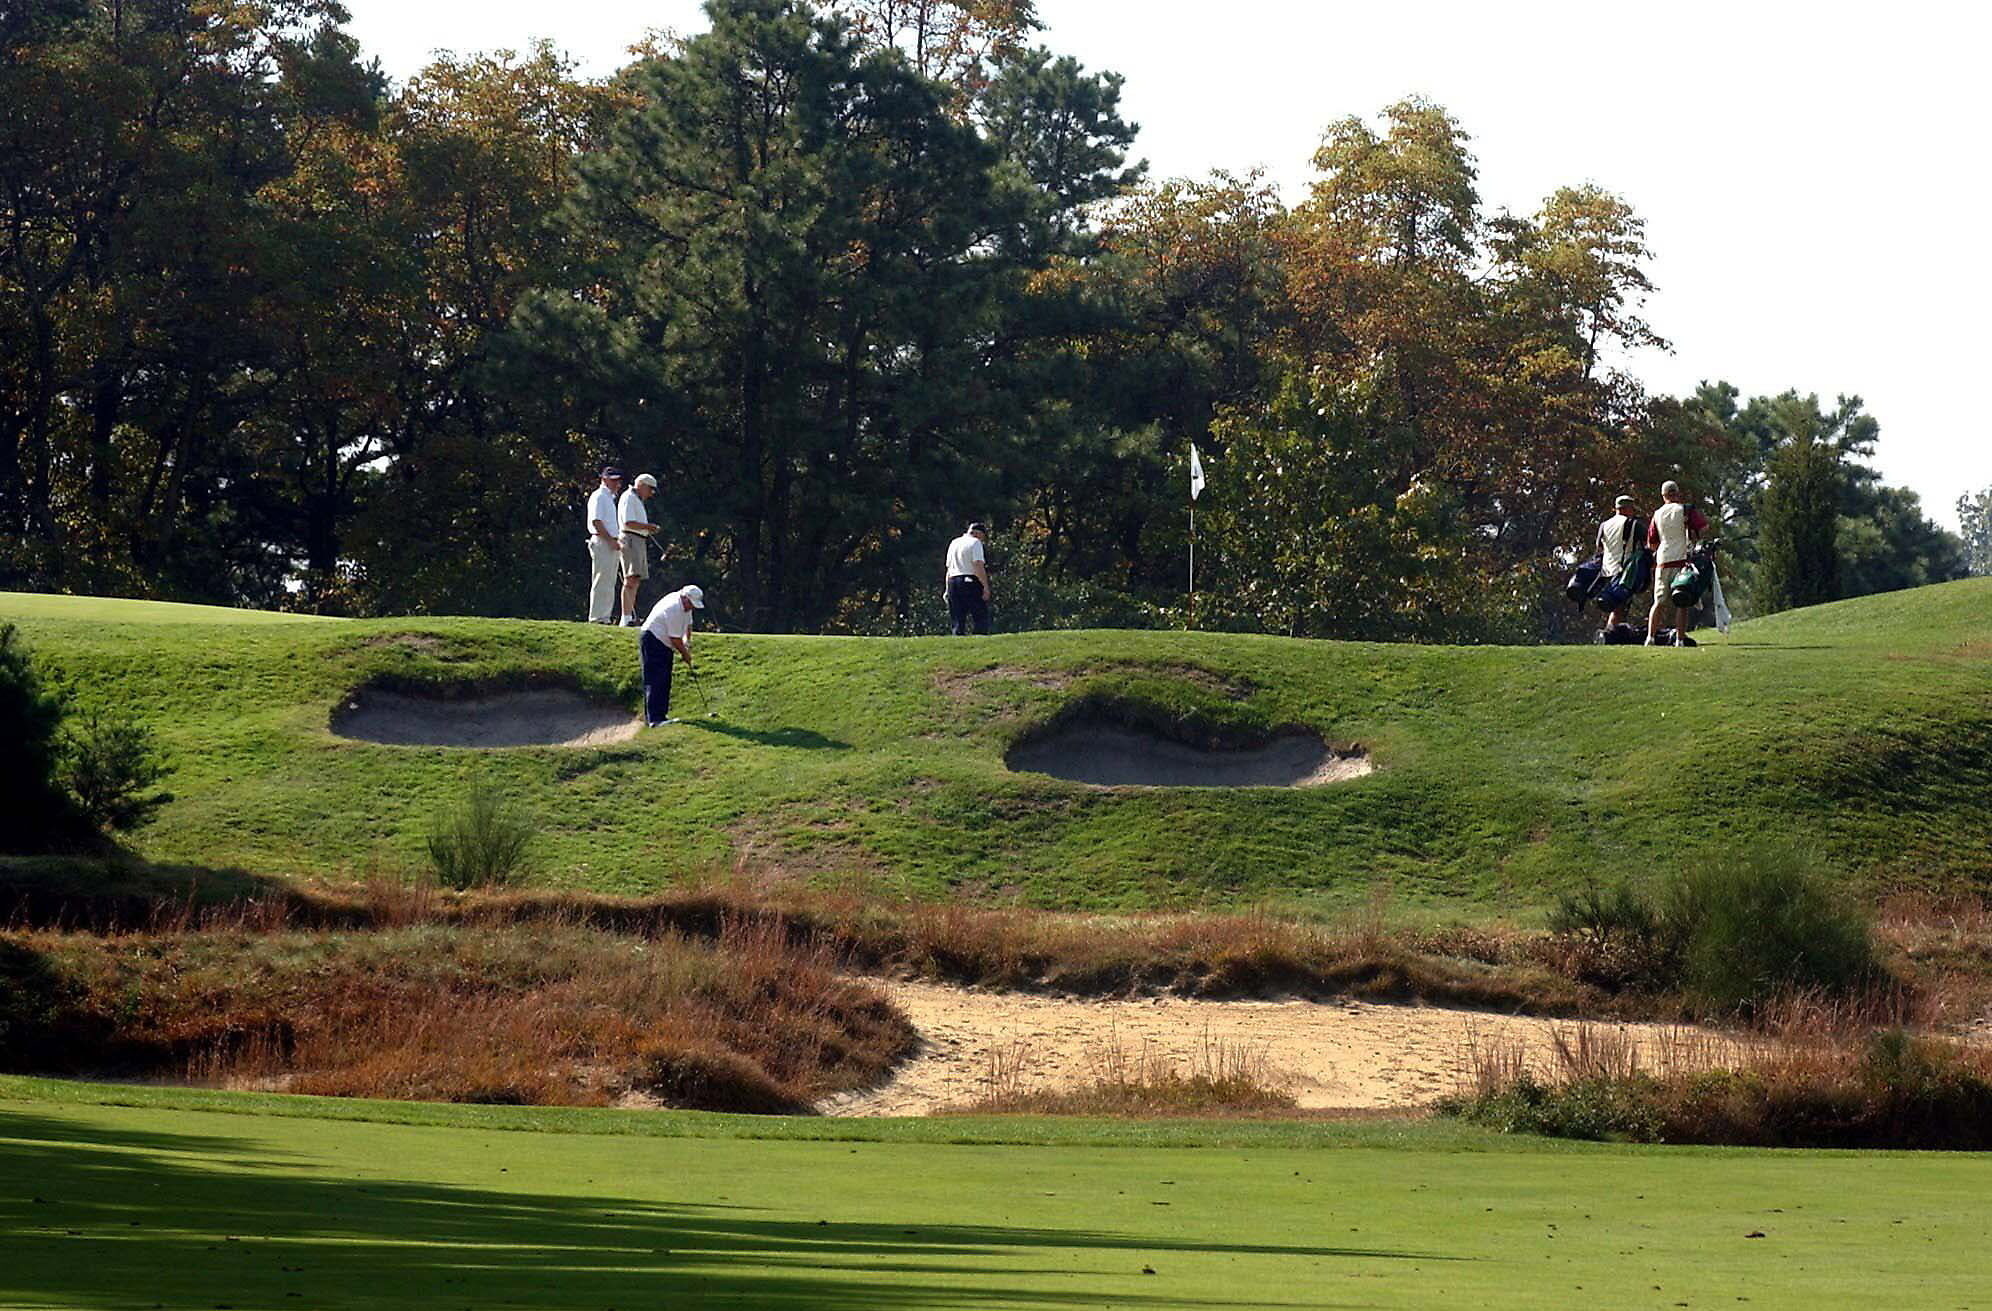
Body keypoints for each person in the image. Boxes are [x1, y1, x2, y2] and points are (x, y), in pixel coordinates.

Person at [1646, 480, 1710, 646]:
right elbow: (1703, 528)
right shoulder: (1685, 509)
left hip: (1662, 561)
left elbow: (1652, 543)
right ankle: (1680, 640)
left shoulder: (1657, 514)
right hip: (1681, 560)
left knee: (1658, 602)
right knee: (1682, 602)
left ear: (1663, 495)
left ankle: (1650, 638)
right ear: (1677, 493)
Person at [638, 584, 704, 726]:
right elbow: (675, 639)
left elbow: (688, 625)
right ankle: (655, 719)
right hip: (652, 640)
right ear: (685, 598)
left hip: (662, 643)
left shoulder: (685, 606)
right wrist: (686, 655)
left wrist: (688, 640)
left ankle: (660, 716)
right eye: (691, 604)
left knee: (664, 679)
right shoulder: (674, 607)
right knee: (656, 679)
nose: (691, 608)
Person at [617, 473, 659, 627]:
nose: (651, 493)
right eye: (650, 489)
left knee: (636, 579)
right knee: (630, 578)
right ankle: (625, 617)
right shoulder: (629, 497)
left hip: (639, 539)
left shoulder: (637, 500)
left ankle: (629, 616)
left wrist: (647, 529)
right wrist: (648, 526)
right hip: (630, 538)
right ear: (641, 485)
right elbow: (629, 522)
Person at [584, 466, 624, 624]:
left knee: (608, 581)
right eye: (613, 480)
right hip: (603, 541)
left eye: (618, 481)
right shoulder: (600, 496)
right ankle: (597, 617)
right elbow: (596, 521)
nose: (617, 484)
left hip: (609, 542)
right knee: (602, 580)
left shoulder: (608, 498)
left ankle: (604, 617)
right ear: (604, 479)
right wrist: (610, 540)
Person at [1596, 494, 1641, 628]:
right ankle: (1610, 632)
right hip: (1624, 569)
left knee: (1613, 603)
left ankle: (1614, 631)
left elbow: (1598, 545)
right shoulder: (1632, 524)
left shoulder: (1604, 524)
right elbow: (1649, 541)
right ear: (1627, 508)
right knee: (1619, 605)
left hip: (1606, 570)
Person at [944, 521, 991, 636]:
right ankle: (979, 640)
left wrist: (946, 589)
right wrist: (985, 587)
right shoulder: (975, 543)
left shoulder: (954, 543)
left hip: (953, 581)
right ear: (978, 533)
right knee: (980, 616)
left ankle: (958, 642)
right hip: (969, 581)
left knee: (958, 618)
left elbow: (949, 568)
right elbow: (978, 565)